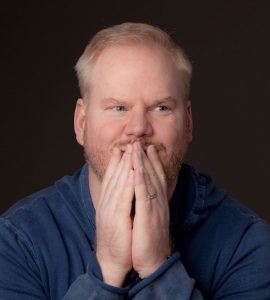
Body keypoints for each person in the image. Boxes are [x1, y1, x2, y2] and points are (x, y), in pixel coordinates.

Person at [0, 22, 269, 300]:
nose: (138, 127)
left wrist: (158, 267)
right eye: (118, 108)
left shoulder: (245, 243)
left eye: (161, 108)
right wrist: (107, 268)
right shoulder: (18, 242)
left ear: (188, 122)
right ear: (82, 123)